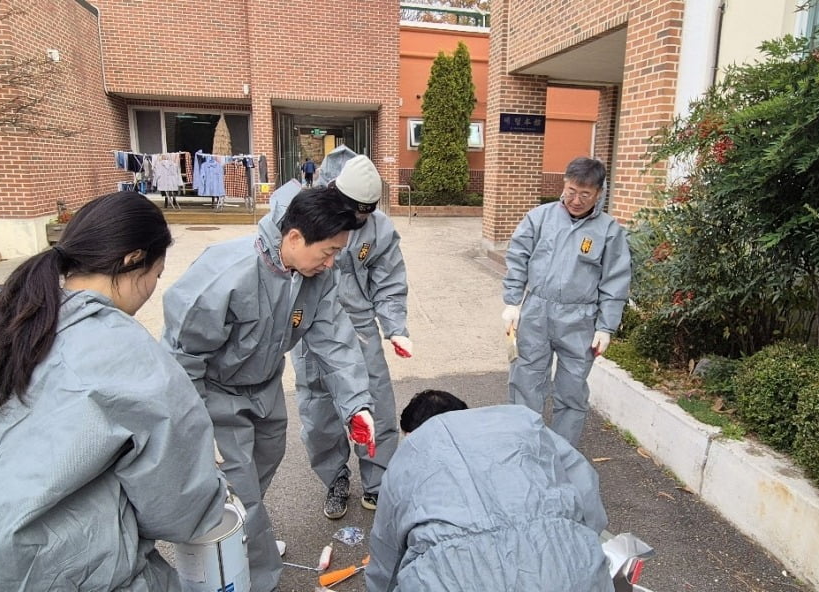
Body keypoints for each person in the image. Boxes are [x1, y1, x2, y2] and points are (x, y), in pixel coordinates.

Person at [0, 191, 228, 591]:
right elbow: (177, 505)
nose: (152, 289)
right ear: (132, 260)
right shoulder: (124, 353)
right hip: (62, 566)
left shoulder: (7, 321)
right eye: (155, 276)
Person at [162, 186, 378, 592]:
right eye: (329, 251)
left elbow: (335, 340)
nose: (332, 263)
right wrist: (192, 425)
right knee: (239, 489)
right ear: (294, 237)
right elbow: (180, 357)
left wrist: (356, 406)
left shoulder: (315, 275)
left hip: (265, 388)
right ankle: (258, 578)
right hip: (214, 393)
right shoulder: (227, 275)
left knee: (260, 470)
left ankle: (241, 537)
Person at [261, 147, 410, 519]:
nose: (361, 218)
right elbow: (270, 264)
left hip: (358, 330)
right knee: (318, 409)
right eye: (355, 210)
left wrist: (394, 327)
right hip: (309, 326)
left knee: (374, 404)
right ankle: (335, 477)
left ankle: (378, 482)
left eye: (368, 211)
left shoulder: (378, 228)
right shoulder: (302, 213)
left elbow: (389, 282)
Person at [367, 390, 614, 592]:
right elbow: (586, 489)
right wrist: (581, 543)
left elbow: (386, 555)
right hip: (570, 572)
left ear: (410, 434)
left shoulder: (410, 453)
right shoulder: (522, 422)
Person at [502, 156, 632, 446]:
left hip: (580, 319)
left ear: (599, 193)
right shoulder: (539, 218)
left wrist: (605, 328)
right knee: (526, 380)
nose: (576, 200)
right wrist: (512, 302)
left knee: (572, 389)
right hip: (536, 311)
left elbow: (615, 281)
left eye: (585, 194)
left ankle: (562, 453)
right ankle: (525, 446)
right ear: (565, 184)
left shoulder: (609, 231)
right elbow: (518, 259)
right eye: (572, 191)